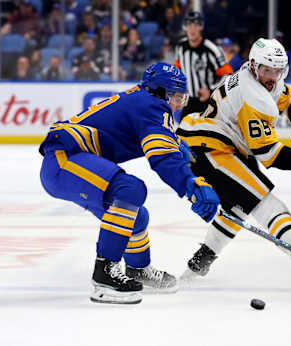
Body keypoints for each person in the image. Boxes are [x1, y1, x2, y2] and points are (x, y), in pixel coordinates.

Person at [38, 62, 220, 304]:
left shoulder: (143, 101)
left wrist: (174, 143)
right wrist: (191, 184)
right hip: (63, 161)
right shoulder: (152, 106)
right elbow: (162, 157)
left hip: (68, 161)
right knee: (130, 189)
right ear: (161, 93)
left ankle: (138, 270)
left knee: (136, 216)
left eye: (182, 98)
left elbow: (152, 137)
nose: (179, 104)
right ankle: (104, 276)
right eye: (176, 97)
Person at [176, 38, 291, 290]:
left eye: (278, 70)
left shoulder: (257, 75)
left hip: (213, 143)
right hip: (209, 148)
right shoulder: (251, 96)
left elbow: (287, 95)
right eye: (268, 70)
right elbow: (267, 152)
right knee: (266, 204)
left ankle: (199, 263)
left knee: (240, 205)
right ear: (254, 67)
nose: (273, 76)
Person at [174, 10, 233, 121]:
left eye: (196, 25)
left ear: (201, 27)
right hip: (189, 101)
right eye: (189, 25)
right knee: (181, 133)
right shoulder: (180, 47)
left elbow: (228, 76)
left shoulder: (212, 49)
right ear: (185, 27)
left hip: (209, 102)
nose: (192, 29)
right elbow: (177, 71)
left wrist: (210, 90)